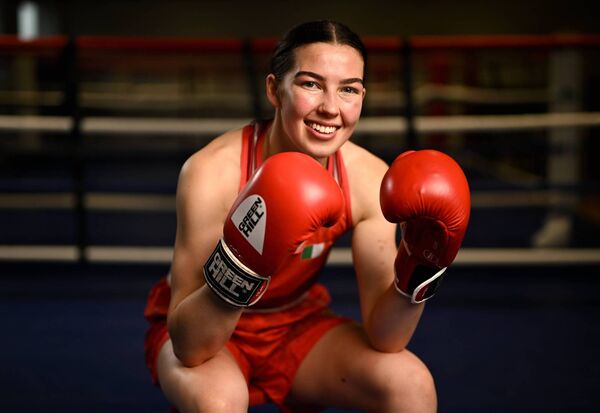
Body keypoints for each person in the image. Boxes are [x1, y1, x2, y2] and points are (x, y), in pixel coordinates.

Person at [144, 20, 470, 413]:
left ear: (362, 97)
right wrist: (245, 263)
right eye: (311, 84)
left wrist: (420, 264)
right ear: (274, 90)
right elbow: (190, 347)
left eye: (348, 89)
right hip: (201, 328)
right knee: (217, 403)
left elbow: (387, 339)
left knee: (410, 385)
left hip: (294, 324)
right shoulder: (213, 173)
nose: (330, 108)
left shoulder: (368, 180)